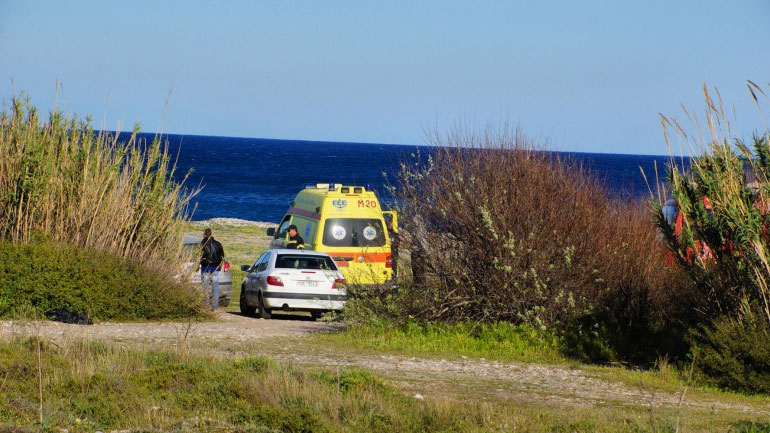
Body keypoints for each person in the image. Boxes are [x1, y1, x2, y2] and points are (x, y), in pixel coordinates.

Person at [200, 228, 225, 311]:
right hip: (215, 268)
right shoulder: (218, 244)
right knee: (215, 287)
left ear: (205, 234)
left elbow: (198, 255)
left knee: (205, 287)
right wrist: (219, 265)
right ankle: (215, 306)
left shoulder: (203, 244)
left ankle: (206, 306)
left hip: (205, 267)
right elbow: (222, 256)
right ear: (211, 234)